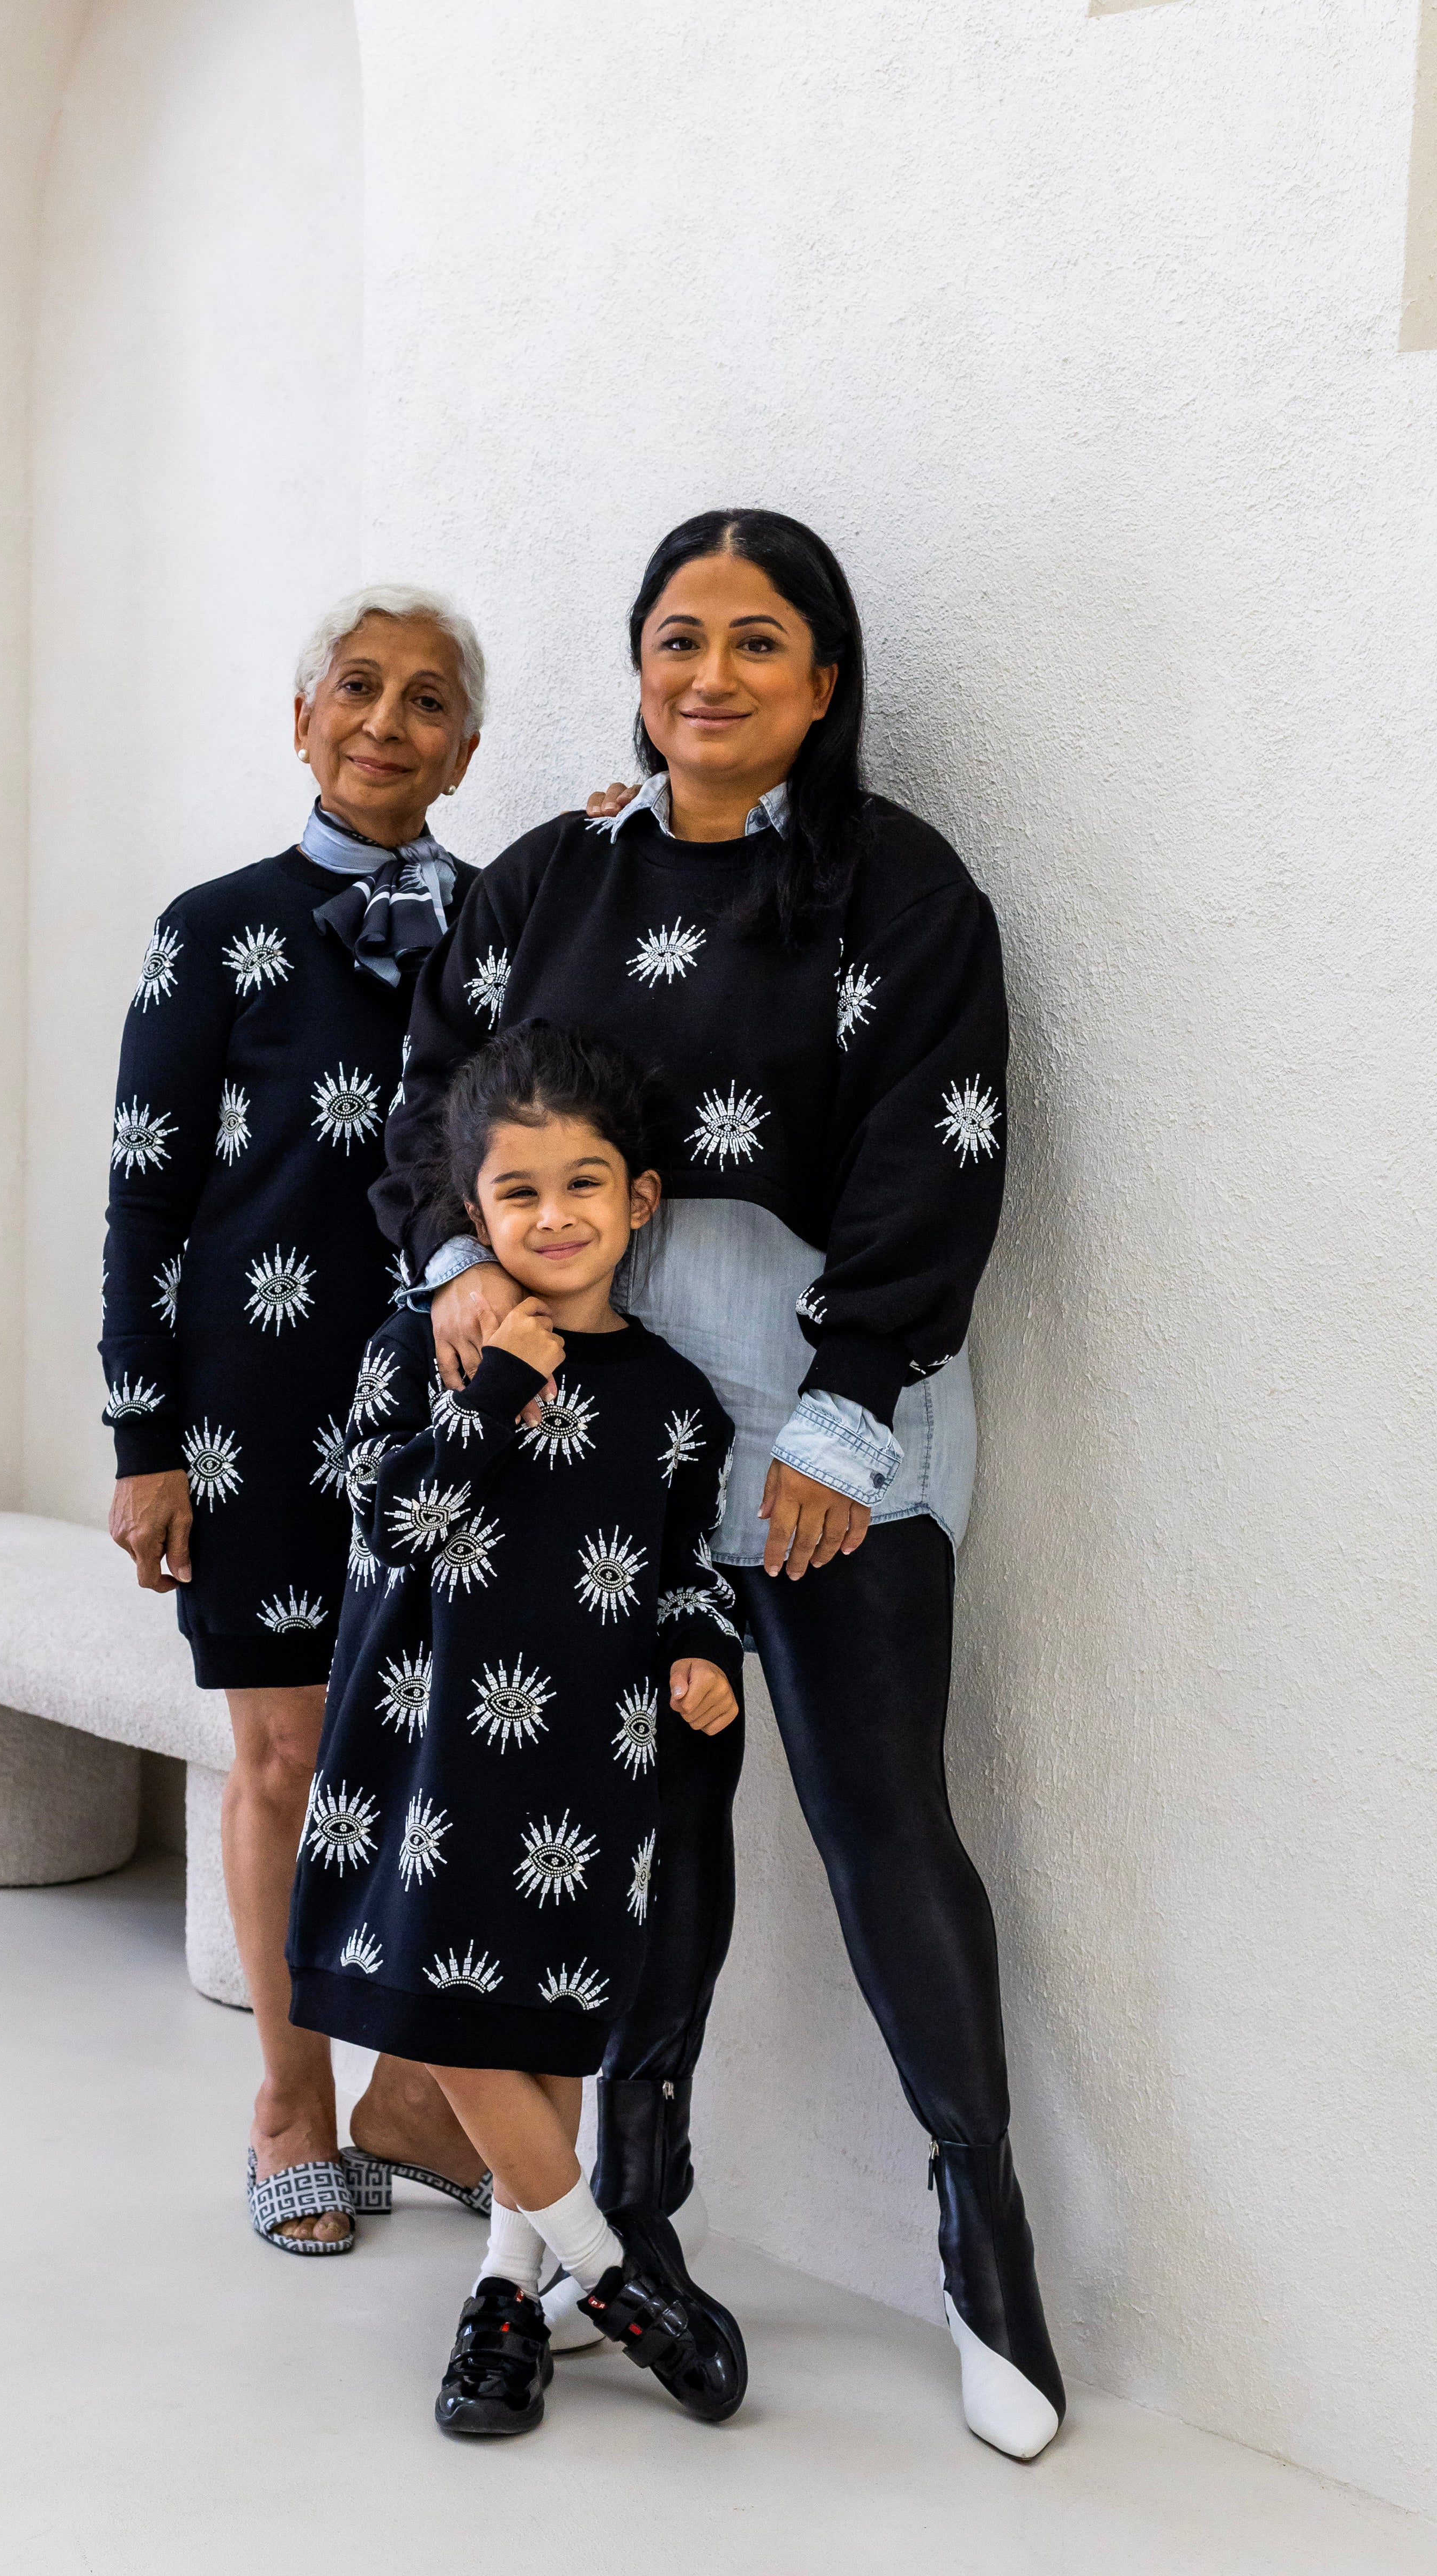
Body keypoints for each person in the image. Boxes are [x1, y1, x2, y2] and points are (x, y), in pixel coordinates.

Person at [372, 511, 1066, 2458]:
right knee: (630, 1832)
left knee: (880, 1825)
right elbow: (442, 1107)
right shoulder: (549, 880)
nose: (710, 675)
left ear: (824, 681)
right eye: (678, 637)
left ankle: (981, 2239)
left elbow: (941, 1156)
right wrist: (465, 1276)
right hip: (602, 1438)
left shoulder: (902, 892)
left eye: (758, 642)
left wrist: (841, 1424)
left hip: (834, 1409)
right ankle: (622, 2236)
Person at [102, 584, 504, 2252]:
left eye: (426, 702)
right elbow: (146, 1194)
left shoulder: (510, 924)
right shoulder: (216, 926)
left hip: (452, 1410)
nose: (386, 725)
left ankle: (414, 2094)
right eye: (358, 689)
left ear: (466, 749)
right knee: (279, 1759)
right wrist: (144, 1439)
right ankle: (292, 2100)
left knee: (434, 1761)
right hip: (255, 1406)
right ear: (302, 718)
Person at [288, 1022, 748, 2437]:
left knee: (540, 2022)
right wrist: (495, 1389)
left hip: (583, 1772)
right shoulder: (415, 1351)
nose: (555, 1219)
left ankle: (507, 2302)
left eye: (585, 1185)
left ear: (642, 1199)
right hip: (420, 1760)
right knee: (447, 2014)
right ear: (473, 1214)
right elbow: (394, 1516)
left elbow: (685, 1560)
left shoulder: (677, 1401)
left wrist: (695, 1643)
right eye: (519, 1194)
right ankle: (612, 2275)